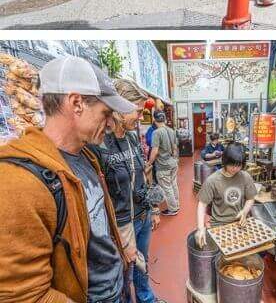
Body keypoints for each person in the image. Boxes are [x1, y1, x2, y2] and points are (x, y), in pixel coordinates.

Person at [0, 55, 135, 303]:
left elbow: (97, 228)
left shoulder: (85, 156)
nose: (109, 123)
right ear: (76, 103)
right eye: (105, 113)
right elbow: (24, 295)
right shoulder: (18, 181)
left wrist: (122, 255)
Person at [91, 79, 166, 303]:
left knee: (142, 263)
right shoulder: (100, 143)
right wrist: (118, 236)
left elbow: (143, 174)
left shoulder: (133, 138)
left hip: (142, 217)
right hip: (122, 225)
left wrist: (154, 208)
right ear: (121, 107)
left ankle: (146, 298)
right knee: (125, 272)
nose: (140, 116)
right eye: (138, 110)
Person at [195, 143, 257, 248]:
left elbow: (250, 198)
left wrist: (244, 212)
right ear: (225, 161)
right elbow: (202, 204)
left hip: (239, 223)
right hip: (219, 224)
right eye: (232, 165)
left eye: (239, 165)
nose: (235, 169)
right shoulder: (213, 180)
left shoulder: (245, 177)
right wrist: (200, 228)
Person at [146, 110, 179, 216]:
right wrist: (174, 159)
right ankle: (176, 204)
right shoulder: (171, 130)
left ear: (154, 119)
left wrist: (149, 163)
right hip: (173, 163)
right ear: (164, 119)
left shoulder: (156, 132)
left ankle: (173, 209)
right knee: (173, 184)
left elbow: (154, 151)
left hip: (163, 165)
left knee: (167, 187)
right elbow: (175, 148)